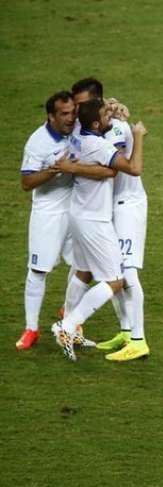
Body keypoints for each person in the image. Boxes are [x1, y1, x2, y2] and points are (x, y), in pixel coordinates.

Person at [51, 98, 147, 361]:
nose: (109, 117)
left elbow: (101, 170)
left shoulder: (77, 135)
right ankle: (68, 326)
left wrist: (117, 113)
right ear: (95, 123)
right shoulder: (99, 145)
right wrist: (138, 135)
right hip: (96, 220)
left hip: (79, 215)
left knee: (83, 271)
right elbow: (133, 169)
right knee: (116, 280)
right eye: (105, 114)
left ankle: (73, 327)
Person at [16, 91, 112, 351]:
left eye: (73, 112)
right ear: (52, 116)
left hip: (78, 209)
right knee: (39, 269)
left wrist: (115, 108)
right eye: (65, 114)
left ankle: (69, 319)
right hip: (48, 213)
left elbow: (101, 122)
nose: (72, 118)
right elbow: (26, 183)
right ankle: (31, 329)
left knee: (86, 264)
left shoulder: (79, 127)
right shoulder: (38, 143)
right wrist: (53, 170)